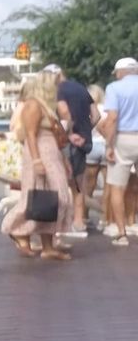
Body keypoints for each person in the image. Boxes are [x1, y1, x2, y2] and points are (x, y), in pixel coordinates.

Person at [2, 72, 73, 259]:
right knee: (40, 197)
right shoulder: (33, 105)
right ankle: (16, 229)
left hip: (51, 153)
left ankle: (47, 246)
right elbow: (31, 134)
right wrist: (36, 160)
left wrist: (64, 160)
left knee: (52, 199)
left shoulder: (45, 107)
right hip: (40, 153)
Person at [47, 64, 99, 237]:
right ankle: (79, 222)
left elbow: (64, 112)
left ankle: (67, 222)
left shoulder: (59, 90)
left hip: (69, 141)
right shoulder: (81, 88)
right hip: (84, 142)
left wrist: (68, 133)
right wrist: (85, 131)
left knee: (63, 182)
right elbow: (96, 115)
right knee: (79, 183)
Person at [100, 57, 138, 246]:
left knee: (117, 187)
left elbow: (112, 118)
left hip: (124, 138)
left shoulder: (114, 88)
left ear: (120, 72)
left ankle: (122, 233)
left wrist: (108, 145)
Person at [85, 84, 107, 229]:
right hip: (105, 145)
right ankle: (105, 218)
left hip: (91, 146)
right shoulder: (106, 108)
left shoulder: (87, 109)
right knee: (108, 186)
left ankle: (84, 216)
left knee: (89, 185)